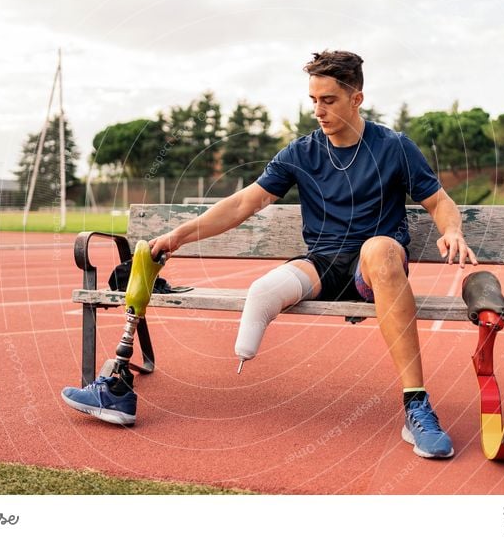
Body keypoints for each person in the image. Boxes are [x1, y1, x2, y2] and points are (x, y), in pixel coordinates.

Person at [62, 50, 477, 458]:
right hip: (321, 265)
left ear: (357, 98)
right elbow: (244, 203)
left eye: (329, 100)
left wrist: (452, 231)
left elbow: (439, 203)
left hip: (373, 267)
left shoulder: (394, 147)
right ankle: (114, 386)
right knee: (265, 289)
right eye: (313, 100)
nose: (319, 110)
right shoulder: (302, 152)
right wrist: (179, 235)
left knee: (382, 248)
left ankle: (416, 406)